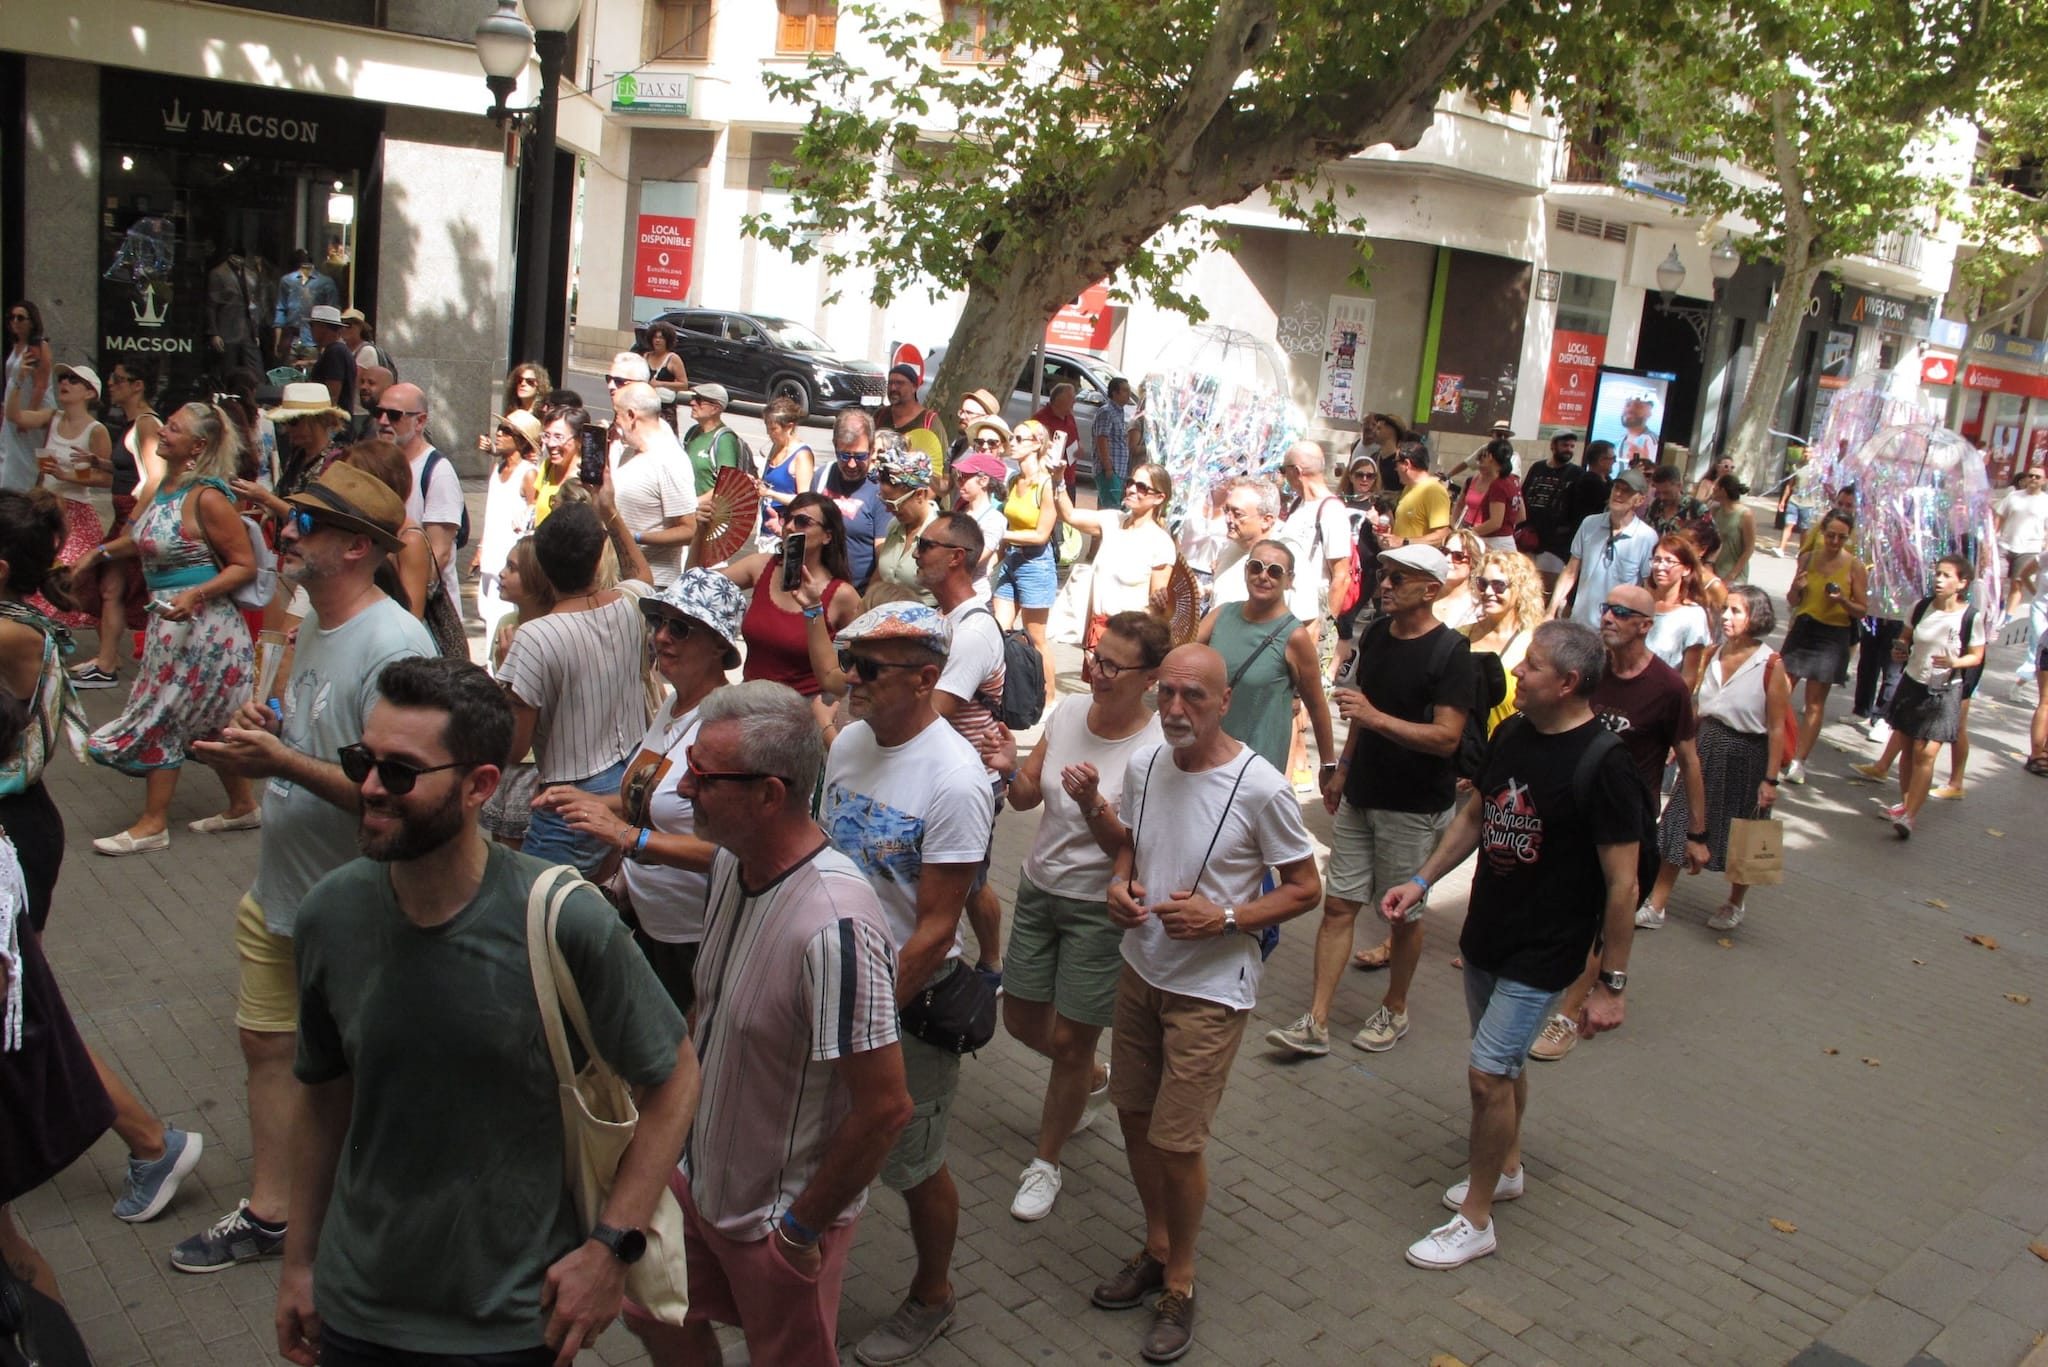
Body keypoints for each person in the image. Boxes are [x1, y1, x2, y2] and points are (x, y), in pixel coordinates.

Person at [274, 656, 697, 1367]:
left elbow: (676, 1077)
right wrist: (299, 1263)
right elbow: (323, 1100)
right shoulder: (330, 913)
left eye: (400, 772)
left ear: (480, 786)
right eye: (361, 762)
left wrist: (610, 1248)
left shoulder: (563, 920)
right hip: (355, 1312)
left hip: (510, 1324)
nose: (370, 787)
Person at [173, 463, 435, 1273]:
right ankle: (272, 1212)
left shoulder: (395, 645)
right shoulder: (314, 616)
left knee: (361, 1066)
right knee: (265, 1044)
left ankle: (378, 1222)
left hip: (359, 907)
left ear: (356, 547)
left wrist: (280, 760)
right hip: (282, 892)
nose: (286, 531)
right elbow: (319, 726)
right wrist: (272, 720)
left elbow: (404, 796)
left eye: (307, 524)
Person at [624, 682, 911, 1367]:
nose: (684, 787)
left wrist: (799, 1230)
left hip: (773, 1220)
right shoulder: (732, 861)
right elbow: (710, 1006)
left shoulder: (835, 926)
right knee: (649, 1309)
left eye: (704, 777)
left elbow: (886, 1107)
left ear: (769, 795)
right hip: (697, 1179)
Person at [1384, 621, 1640, 1270]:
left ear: (1569, 682)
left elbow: (1623, 884)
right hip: (1487, 932)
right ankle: (1507, 1167)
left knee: (1486, 1075)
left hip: (1546, 949)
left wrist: (1611, 984)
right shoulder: (1512, 733)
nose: (1517, 673)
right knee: (1503, 1067)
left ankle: (1475, 1219)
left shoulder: (1605, 762)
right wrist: (1421, 880)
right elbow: (1476, 814)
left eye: (1532, 665)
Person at [1093, 644, 1319, 1363]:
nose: (1175, 708)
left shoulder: (1262, 788)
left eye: (1193, 695)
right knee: (1133, 1115)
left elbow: (1305, 888)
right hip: (1141, 969)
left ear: (1225, 701)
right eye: (1166, 693)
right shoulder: (1146, 764)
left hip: (1210, 990)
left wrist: (1224, 917)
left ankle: (1181, 1281)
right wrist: (1119, 884)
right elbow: (1132, 845)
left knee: (1177, 1139)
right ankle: (1157, 1245)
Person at [1, 498, 206, 1228]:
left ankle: (152, 1141)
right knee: (23, 1009)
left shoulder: (11, 631)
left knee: (27, 1012)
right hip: (20, 825)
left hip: (14, 830)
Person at [816, 603, 995, 1367]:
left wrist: (868, 1018)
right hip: (832, 982)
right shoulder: (852, 740)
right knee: (825, 1139)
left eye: (867, 667)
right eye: (849, 661)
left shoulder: (955, 779)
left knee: (914, 1162)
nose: (848, 678)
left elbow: (935, 926)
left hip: (902, 1003)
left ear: (926, 679)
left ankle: (932, 1293)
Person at [1268, 545, 1471, 1057]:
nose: (1384, 585)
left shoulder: (1452, 652)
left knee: (1401, 916)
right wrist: (1342, 770)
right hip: (1362, 794)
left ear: (1430, 589)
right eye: (1384, 574)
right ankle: (1316, 1020)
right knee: (1339, 904)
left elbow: (1447, 737)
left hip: (1413, 805)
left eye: (1398, 578)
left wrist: (1374, 717)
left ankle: (1395, 1008)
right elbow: (1361, 712)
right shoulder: (1377, 634)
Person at [1001, 611, 1167, 1223]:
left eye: (1113, 666)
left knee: (1072, 1039)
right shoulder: (1070, 711)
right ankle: (1093, 1078)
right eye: (1096, 657)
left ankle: (1045, 1164)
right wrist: (1005, 763)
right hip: (1039, 887)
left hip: (1099, 908)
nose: (1096, 672)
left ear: (1148, 678)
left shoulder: (1155, 750)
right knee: (1019, 1020)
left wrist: (1094, 802)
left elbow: (1133, 847)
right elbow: (1026, 794)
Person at [531, 570, 744, 1016]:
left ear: (718, 645)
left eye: (680, 627)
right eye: (659, 622)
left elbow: (732, 852)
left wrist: (627, 837)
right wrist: (587, 801)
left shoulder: (725, 726)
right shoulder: (674, 703)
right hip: (650, 920)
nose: (661, 636)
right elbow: (652, 795)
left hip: (692, 936)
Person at [1528, 584, 1706, 1063]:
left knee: (1602, 919)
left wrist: (1696, 833)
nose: (1608, 617)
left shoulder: (1668, 688)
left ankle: (1568, 1015)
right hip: (1567, 811)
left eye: (1623, 612)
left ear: (1646, 625)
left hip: (1625, 823)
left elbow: (1689, 759)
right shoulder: (1589, 671)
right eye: (1607, 608)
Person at [75, 402, 261, 854]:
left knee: (165, 713)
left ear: (198, 446)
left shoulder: (208, 497)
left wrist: (196, 594)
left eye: (174, 428)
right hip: (171, 625)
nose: (162, 432)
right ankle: (243, 806)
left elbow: (244, 565)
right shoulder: (165, 487)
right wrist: (97, 554)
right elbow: (143, 540)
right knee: (214, 722)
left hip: (205, 630)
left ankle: (153, 824)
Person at [499, 499, 658, 877]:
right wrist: (610, 512)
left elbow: (514, 747)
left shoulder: (533, 638)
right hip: (632, 775)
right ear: (600, 555)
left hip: (571, 797)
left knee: (539, 899)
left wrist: (507, 681)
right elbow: (641, 574)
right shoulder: (631, 603)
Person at [1636, 585, 1787, 932]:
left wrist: (1770, 780)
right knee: (1679, 819)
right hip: (1705, 746)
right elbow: (1698, 706)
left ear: (1755, 618)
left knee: (1744, 831)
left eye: (1736, 611)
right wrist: (1680, 741)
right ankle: (1656, 905)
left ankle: (1735, 902)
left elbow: (1777, 727)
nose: (1726, 616)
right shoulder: (1714, 652)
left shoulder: (1770, 664)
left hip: (1747, 754)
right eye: (1726, 609)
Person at [912, 510, 1009, 985]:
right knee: (967, 882)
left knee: (967, 883)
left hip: (970, 783)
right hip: (942, 774)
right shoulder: (942, 616)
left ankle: (988, 968)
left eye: (924, 545)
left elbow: (933, 711)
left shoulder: (972, 632)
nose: (915, 553)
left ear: (955, 557)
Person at [1196, 538, 1333, 775]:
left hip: (1255, 767)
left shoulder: (1294, 636)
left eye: (1275, 571)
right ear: (1246, 571)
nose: (1263, 576)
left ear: (1289, 580)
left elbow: (1317, 705)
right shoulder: (1221, 614)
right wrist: (1165, 612)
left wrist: (1328, 764)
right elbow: (1178, 655)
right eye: (1256, 567)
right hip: (1206, 755)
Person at [1875, 555, 1984, 839]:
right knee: (1908, 749)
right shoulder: (1921, 607)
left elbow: (1976, 656)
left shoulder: (1970, 617)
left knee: (1926, 752)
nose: (1939, 579)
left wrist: (1955, 662)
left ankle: (1910, 816)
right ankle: (1905, 803)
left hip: (1945, 690)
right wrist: (1900, 648)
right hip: (1913, 683)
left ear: (1962, 583)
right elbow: (1906, 636)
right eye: (1937, 573)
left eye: (1947, 575)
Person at [7, 360, 112, 642]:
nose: (64, 383)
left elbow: (106, 478)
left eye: (73, 380)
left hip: (76, 514)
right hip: (46, 508)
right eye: (63, 378)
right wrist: (17, 380)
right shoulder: (53, 417)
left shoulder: (96, 430)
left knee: (79, 584)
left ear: (90, 393)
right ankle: (43, 642)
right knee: (40, 579)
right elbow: (15, 416)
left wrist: (66, 474)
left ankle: (107, 655)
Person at [730, 491, 863, 697]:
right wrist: (702, 531)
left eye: (802, 522)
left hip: (802, 706)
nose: (790, 527)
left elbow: (866, 662)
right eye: (787, 518)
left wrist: (832, 701)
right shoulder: (760, 566)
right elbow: (696, 586)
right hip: (748, 700)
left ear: (827, 536)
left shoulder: (841, 594)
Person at [1776, 510, 1866, 784]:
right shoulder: (1808, 559)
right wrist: (1797, 587)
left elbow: (1862, 610)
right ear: (1822, 533)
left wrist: (1842, 601)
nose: (1835, 541)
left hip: (1832, 635)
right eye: (1830, 535)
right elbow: (1793, 600)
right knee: (1778, 693)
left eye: (1841, 537)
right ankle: (1773, 749)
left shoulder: (1855, 566)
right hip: (1804, 628)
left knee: (1814, 703)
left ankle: (1799, 761)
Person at [1053, 460, 1176, 654]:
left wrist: (1129, 640)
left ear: (1159, 498)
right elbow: (1068, 515)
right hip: (1096, 629)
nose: (1132, 489)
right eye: (1130, 483)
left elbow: (1156, 609)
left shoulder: (1161, 543)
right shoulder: (1112, 520)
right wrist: (1059, 479)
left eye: (1142, 487)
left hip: (1128, 638)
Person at [372, 382, 463, 623]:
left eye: (394, 415)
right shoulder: (380, 465)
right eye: (378, 412)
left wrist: (406, 610)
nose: (383, 421)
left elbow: (439, 554)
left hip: (425, 615)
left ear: (420, 421)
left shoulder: (438, 472)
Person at [479, 536, 549, 849]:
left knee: (513, 846)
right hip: (504, 751)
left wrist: (512, 668)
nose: (501, 573)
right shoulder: (507, 623)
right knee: (495, 841)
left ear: (536, 578)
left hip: (531, 761)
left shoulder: (548, 632)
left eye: (513, 567)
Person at [994, 419, 1061, 707]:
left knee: (1036, 637)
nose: (1012, 443)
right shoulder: (1013, 481)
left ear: (1037, 444)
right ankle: (1002, 693)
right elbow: (1008, 524)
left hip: (1036, 563)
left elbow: (1041, 535)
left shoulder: (1046, 484)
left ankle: (1049, 700)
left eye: (1019, 439)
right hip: (1012, 559)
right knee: (999, 630)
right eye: (1012, 437)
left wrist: (999, 534)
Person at [609, 382, 701, 586]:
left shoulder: (670, 459)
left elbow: (689, 529)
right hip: (619, 578)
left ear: (631, 416)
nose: (615, 422)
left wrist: (634, 537)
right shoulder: (629, 450)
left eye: (617, 414)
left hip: (653, 583)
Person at [1548, 467, 1657, 628]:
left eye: (1626, 491)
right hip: (1581, 624)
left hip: (1617, 629)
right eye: (1616, 487)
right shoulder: (1589, 524)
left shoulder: (1647, 537)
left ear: (1640, 500)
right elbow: (1571, 571)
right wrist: (1551, 610)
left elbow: (1648, 588)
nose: (1618, 493)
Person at [472, 408, 540, 629]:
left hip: (510, 562)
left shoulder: (528, 474)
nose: (499, 433)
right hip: (490, 558)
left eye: (507, 431)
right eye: (500, 428)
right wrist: (481, 548)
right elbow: (492, 513)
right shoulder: (497, 468)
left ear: (521, 440)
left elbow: (532, 519)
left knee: (504, 621)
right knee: (487, 614)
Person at [1277, 441, 1355, 634]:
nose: (1283, 476)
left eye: (1283, 470)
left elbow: (1341, 577)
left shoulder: (1332, 510)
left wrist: (1323, 630)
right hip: (1286, 610)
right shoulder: (1298, 504)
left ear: (1297, 471)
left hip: (1311, 617)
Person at [1464, 549, 1544, 734]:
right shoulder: (1460, 635)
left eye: (1499, 585)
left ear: (1520, 589)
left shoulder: (1533, 643)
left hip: (1506, 744)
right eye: (1483, 583)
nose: (1488, 592)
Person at [814, 407, 887, 590]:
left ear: (872, 449)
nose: (852, 464)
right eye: (844, 455)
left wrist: (864, 603)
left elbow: (884, 561)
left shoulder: (882, 490)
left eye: (860, 456)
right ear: (835, 446)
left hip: (857, 595)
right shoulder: (822, 477)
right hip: (816, 590)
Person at [872, 438, 944, 605]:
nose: (888, 510)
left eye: (894, 503)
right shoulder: (894, 526)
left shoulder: (942, 534)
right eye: (883, 501)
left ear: (919, 494)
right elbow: (880, 577)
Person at [1645, 534, 1715, 687]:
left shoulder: (1693, 615)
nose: (1660, 566)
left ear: (1686, 569)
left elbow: (1689, 676)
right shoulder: (1643, 604)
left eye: (1669, 561)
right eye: (1657, 560)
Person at [1517, 431, 1582, 589]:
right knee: (1523, 585)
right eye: (1564, 445)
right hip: (1528, 540)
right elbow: (1522, 496)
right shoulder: (1537, 467)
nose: (1568, 449)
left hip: (1555, 545)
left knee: (1545, 588)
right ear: (1553, 446)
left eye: (1572, 446)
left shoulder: (1577, 473)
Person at [1208, 475, 1282, 607]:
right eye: (1226, 510)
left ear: (1266, 520)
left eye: (1238, 514)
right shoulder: (1229, 548)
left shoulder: (1282, 560)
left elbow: (1307, 619)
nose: (1228, 519)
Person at [951, 443, 1010, 599]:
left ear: (984, 481)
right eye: (959, 476)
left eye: (965, 476)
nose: (959, 481)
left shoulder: (994, 520)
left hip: (973, 597)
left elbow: (972, 560)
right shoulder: (960, 509)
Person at [757, 395, 816, 545]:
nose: (769, 433)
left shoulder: (802, 455)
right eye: (767, 427)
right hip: (766, 529)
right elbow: (768, 483)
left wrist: (770, 494)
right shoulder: (776, 447)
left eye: (773, 428)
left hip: (785, 532)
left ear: (789, 427)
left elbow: (804, 500)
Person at [3, 304, 49, 492]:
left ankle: (26, 492)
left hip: (31, 407)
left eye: (20, 318)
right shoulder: (16, 346)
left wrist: (29, 415)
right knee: (10, 453)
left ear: (32, 322)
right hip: (14, 405)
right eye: (12, 317)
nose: (15, 321)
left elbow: (40, 384)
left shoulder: (38, 347)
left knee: (28, 456)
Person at [1995, 466, 2048, 616]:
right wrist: (1993, 535)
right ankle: (1999, 605)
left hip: (2029, 549)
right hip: (2005, 545)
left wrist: (2046, 547)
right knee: (1997, 580)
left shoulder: (2046, 501)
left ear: (2044, 481)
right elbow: (2000, 516)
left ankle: (2008, 616)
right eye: (2030, 475)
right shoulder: (2013, 496)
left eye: (2037, 477)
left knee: (2017, 583)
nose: (2033, 478)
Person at [682, 383, 746, 497]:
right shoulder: (692, 432)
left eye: (699, 400)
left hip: (708, 508)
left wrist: (696, 503)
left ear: (715, 409)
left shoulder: (725, 440)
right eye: (693, 397)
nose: (692, 403)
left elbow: (725, 486)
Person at [1459, 440, 1523, 552]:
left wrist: (1468, 533)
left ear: (1490, 456)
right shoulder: (1514, 481)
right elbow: (1521, 516)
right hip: (1508, 541)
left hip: (1495, 544)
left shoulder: (1498, 485)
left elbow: (1495, 523)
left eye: (1484, 456)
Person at [1387, 444, 1453, 550]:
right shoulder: (1408, 487)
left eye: (1396, 463)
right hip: (1399, 557)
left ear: (1406, 464)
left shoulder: (1434, 491)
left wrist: (1404, 541)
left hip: (1418, 559)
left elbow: (1442, 536)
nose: (1395, 468)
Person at [273, 249, 337, 354]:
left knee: (312, 362)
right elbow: (281, 310)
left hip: (313, 341)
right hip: (291, 340)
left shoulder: (326, 283)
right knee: (289, 364)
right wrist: (278, 341)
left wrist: (327, 345)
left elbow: (331, 315)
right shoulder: (287, 281)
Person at [533, 405, 586, 527]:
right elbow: (535, 502)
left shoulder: (586, 478)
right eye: (546, 436)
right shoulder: (547, 466)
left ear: (579, 440)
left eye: (558, 437)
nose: (550, 444)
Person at [1092, 376, 1137, 510]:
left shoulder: (1119, 412)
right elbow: (1101, 439)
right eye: (1125, 391)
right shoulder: (1107, 412)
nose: (1128, 394)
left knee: (1107, 507)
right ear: (1115, 393)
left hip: (1119, 470)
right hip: (1111, 469)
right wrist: (1108, 468)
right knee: (1111, 509)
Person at [304, 306, 357, 416]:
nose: (310, 330)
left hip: (333, 420)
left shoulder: (335, 352)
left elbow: (332, 395)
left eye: (312, 325)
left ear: (322, 327)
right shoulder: (335, 350)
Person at [1031, 383, 1083, 492]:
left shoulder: (1069, 417)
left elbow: (1077, 440)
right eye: (1070, 397)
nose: (1074, 401)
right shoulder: (1040, 419)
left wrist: (1079, 449)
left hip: (1069, 477)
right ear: (1059, 399)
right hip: (1048, 479)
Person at [879, 364, 945, 448]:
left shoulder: (929, 421)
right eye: (890, 383)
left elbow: (940, 454)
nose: (893, 388)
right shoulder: (880, 416)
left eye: (899, 383)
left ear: (914, 387)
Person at [1707, 473, 1756, 585]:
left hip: (1734, 577)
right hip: (1713, 573)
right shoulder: (1715, 510)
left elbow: (1749, 548)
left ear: (1723, 491)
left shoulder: (1745, 514)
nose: (1712, 490)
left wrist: (1731, 576)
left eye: (1715, 488)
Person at [1431, 529, 1486, 630]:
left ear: (1473, 564)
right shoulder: (1426, 591)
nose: (1447, 559)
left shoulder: (1477, 609)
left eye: (1458, 556)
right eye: (1445, 552)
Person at [1647, 464, 1710, 539]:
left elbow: (1713, 540)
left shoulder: (1697, 509)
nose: (1662, 497)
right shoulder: (1655, 506)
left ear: (1679, 486)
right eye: (1658, 493)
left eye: (1667, 493)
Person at [642, 321, 689, 397]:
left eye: (661, 338)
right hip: (646, 398)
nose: (657, 340)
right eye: (655, 337)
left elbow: (684, 385)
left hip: (664, 400)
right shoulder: (646, 356)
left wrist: (660, 384)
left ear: (668, 340)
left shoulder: (673, 358)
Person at [338, 309, 385, 374]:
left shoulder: (367, 351)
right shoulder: (342, 348)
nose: (343, 328)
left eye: (348, 325)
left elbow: (356, 378)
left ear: (360, 327)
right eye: (341, 325)